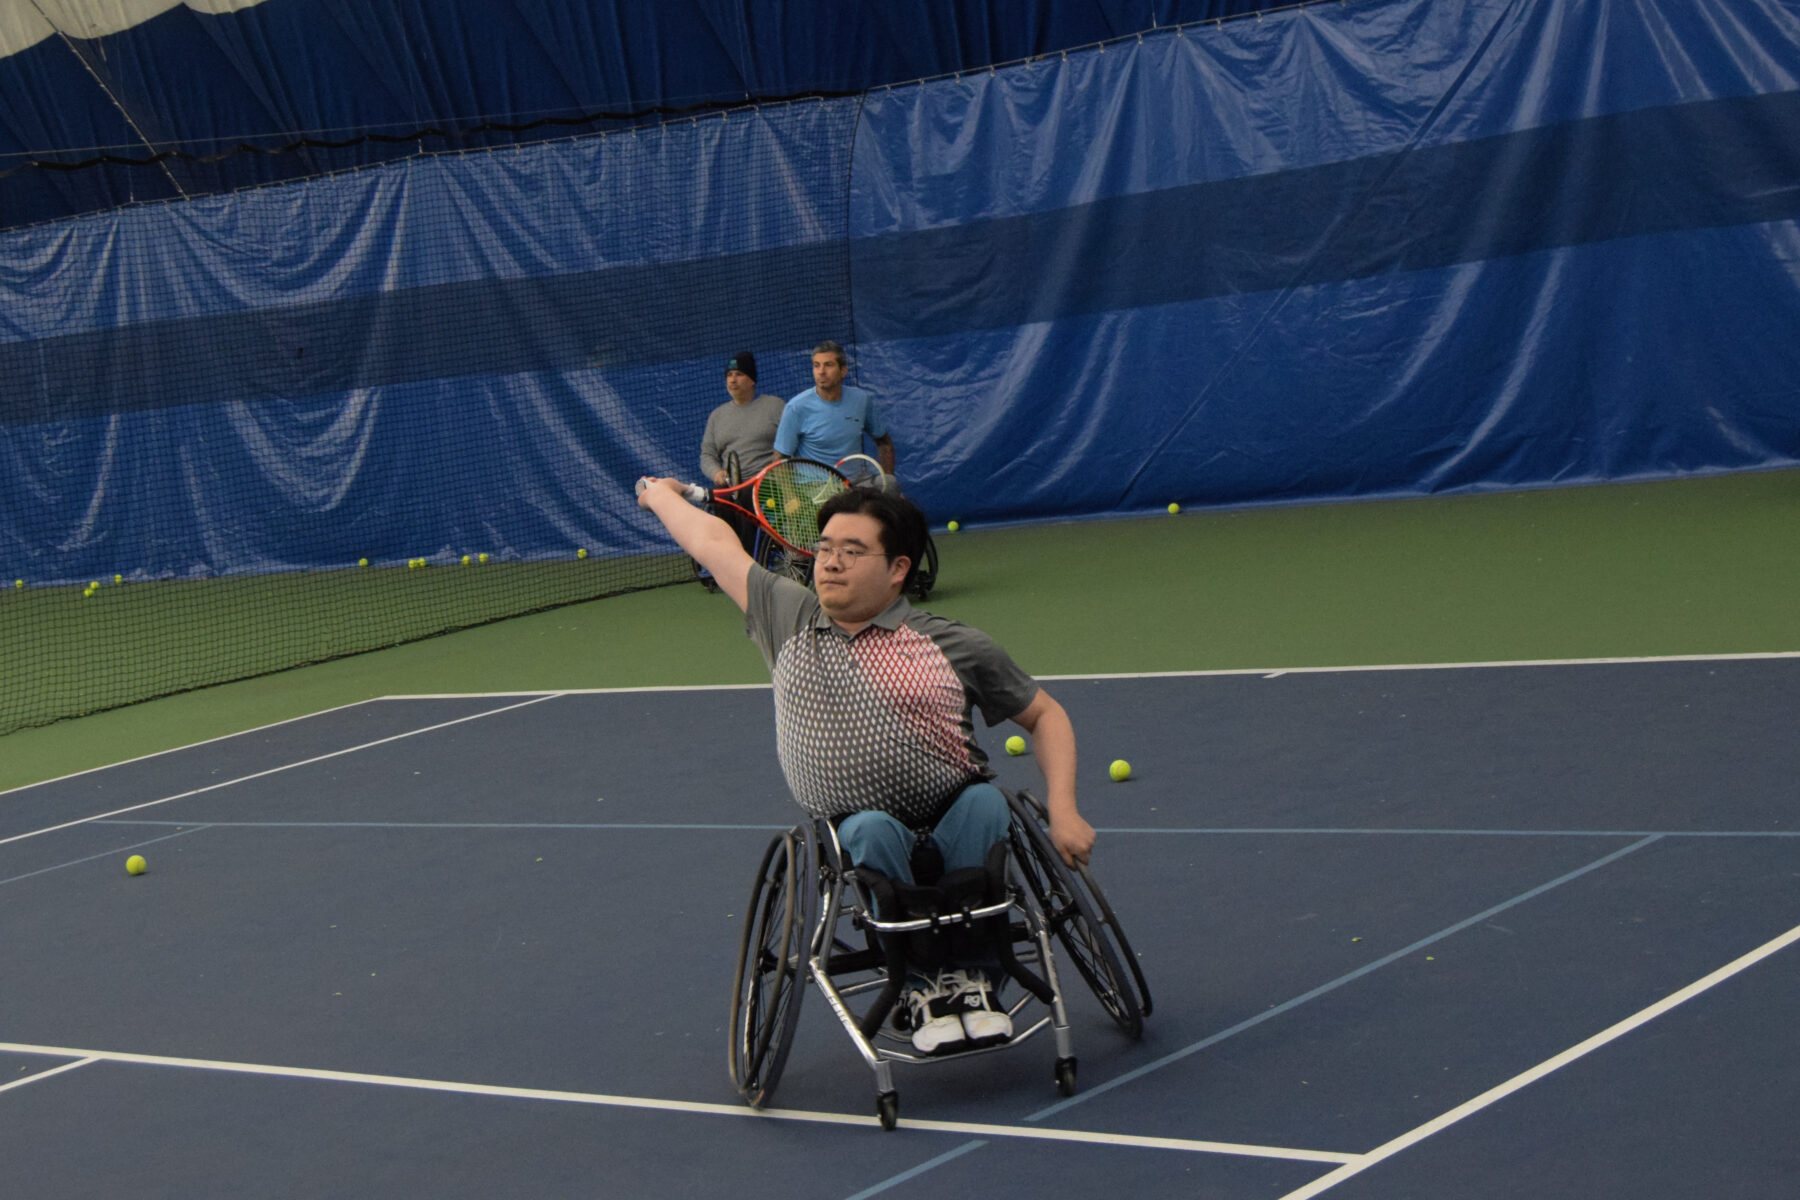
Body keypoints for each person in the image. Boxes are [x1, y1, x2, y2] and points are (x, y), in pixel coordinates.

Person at [635, 477, 1094, 1055]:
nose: (830, 563)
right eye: (825, 548)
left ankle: (975, 980)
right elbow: (713, 542)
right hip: (854, 829)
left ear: (898, 568)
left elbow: (1046, 715)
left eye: (852, 552)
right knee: (874, 830)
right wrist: (657, 495)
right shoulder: (789, 617)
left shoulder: (953, 644)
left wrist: (1067, 810)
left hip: (957, 811)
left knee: (985, 802)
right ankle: (922, 986)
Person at [696, 351, 786, 563]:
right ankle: (726, 558)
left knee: (746, 498)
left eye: (738, 374)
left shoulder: (774, 406)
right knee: (718, 500)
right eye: (729, 375)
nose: (732, 380)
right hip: (730, 484)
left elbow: (790, 442)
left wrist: (777, 464)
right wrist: (716, 473)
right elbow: (707, 455)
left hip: (767, 483)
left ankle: (746, 561)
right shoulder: (717, 416)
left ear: (752, 379)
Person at [773, 340, 896, 477]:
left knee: (891, 487)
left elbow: (884, 442)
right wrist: (792, 497)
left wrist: (888, 477)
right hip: (814, 488)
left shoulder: (861, 399)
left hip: (856, 484)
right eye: (816, 365)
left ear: (843, 371)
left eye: (828, 365)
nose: (821, 372)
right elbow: (780, 459)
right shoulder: (795, 407)